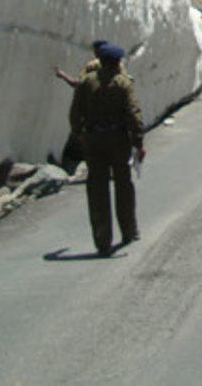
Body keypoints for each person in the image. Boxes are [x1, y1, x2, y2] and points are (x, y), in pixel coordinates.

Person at [54, 41, 145, 255]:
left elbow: (75, 114)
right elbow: (134, 115)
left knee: (97, 191)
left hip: (94, 141)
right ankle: (129, 230)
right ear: (117, 62)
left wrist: (81, 135)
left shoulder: (87, 83)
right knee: (123, 186)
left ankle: (103, 241)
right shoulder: (123, 83)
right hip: (119, 141)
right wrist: (138, 142)